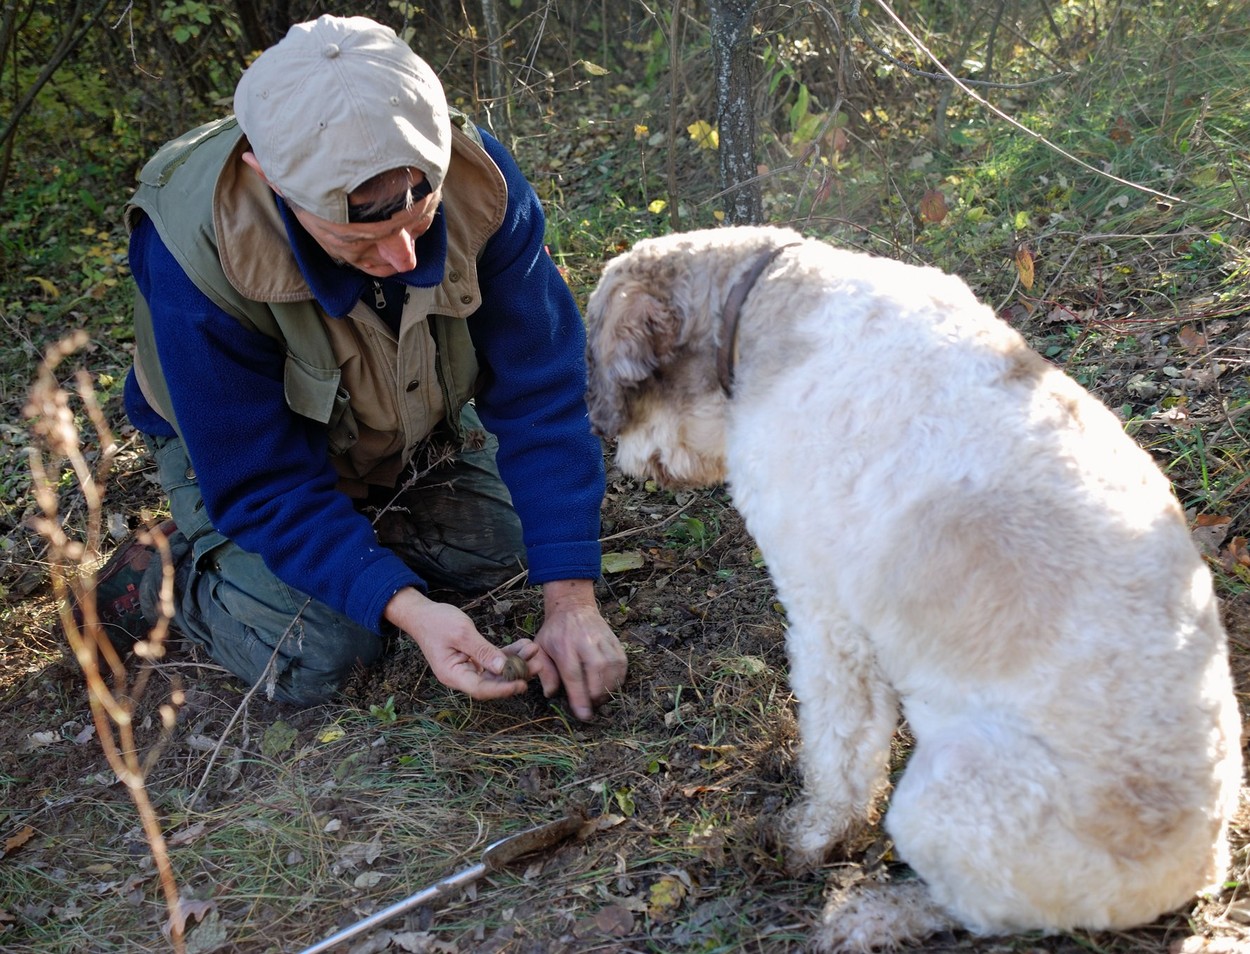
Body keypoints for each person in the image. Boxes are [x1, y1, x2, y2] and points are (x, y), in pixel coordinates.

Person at [89, 14, 627, 719]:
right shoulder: (195, 249)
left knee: (530, 550)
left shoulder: (481, 182)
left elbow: (543, 390)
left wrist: (572, 600)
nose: (405, 260)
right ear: (271, 180)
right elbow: (262, 480)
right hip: (243, 461)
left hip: (393, 422)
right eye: (361, 237)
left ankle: (361, 531)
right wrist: (407, 609)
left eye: (420, 216)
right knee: (329, 652)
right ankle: (164, 573)